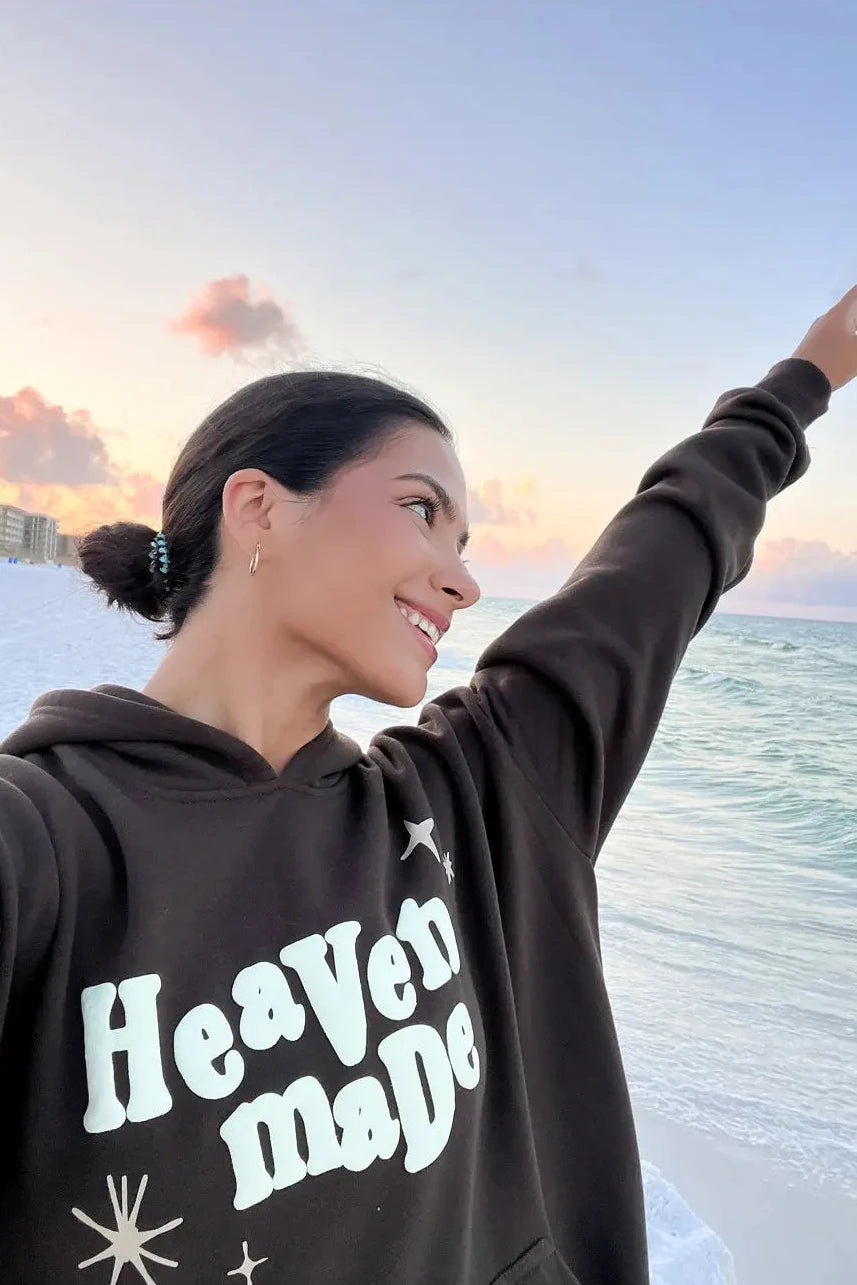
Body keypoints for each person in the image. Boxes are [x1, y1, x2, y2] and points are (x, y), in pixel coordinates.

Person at [1, 286, 855, 1285]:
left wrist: (813, 369)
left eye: (462, 543)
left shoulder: (472, 799)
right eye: (421, 509)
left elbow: (659, 555)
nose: (461, 580)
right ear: (259, 506)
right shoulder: (43, 841)